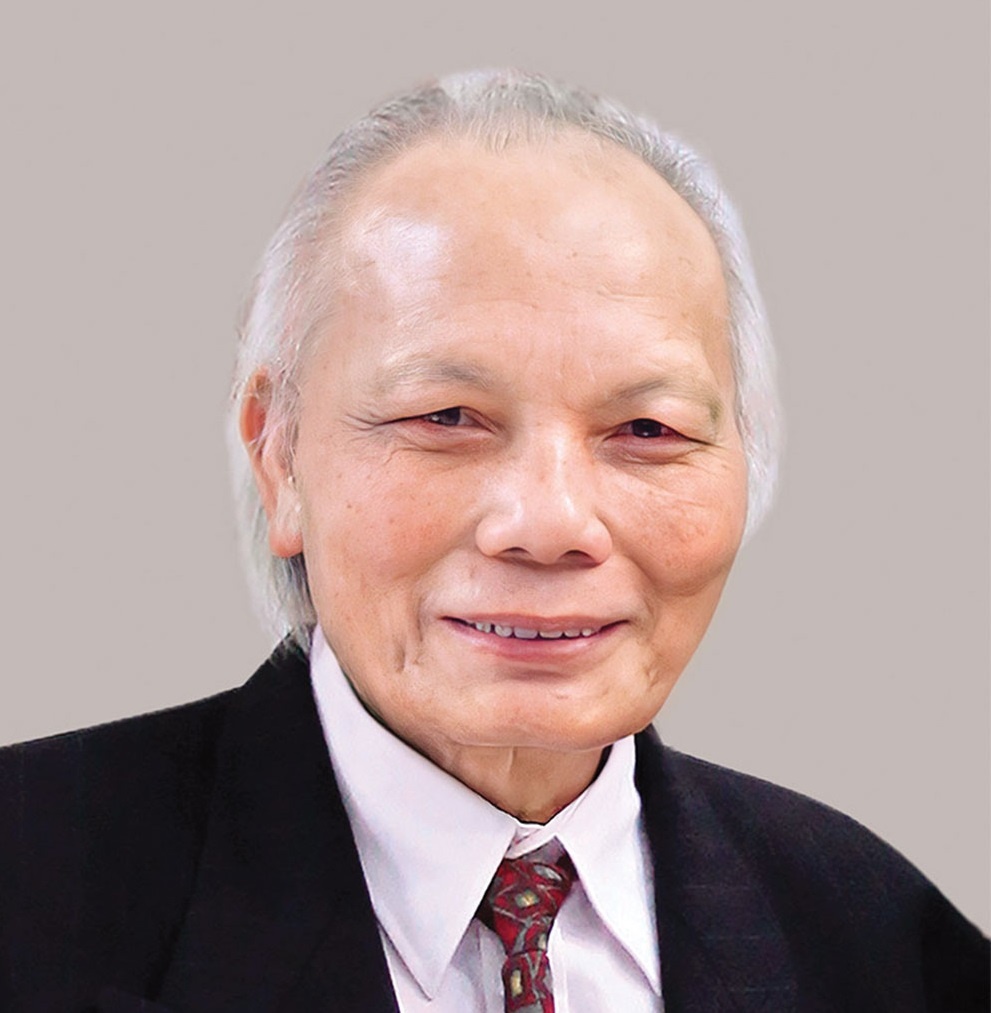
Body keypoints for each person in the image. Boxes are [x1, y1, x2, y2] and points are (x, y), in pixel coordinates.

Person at [0, 69, 986, 1013]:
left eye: (646, 430)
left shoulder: (883, 943)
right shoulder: (36, 876)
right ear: (279, 456)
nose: (549, 524)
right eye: (445, 417)